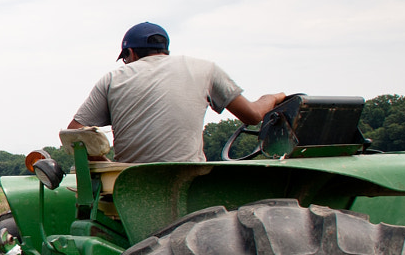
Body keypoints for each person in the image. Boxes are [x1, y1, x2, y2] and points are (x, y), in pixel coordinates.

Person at [67, 21, 285, 163]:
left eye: (125, 59)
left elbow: (74, 135)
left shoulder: (113, 79)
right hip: (189, 182)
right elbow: (253, 116)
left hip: (131, 185)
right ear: (165, 50)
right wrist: (273, 98)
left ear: (130, 53)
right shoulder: (206, 69)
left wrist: (110, 167)